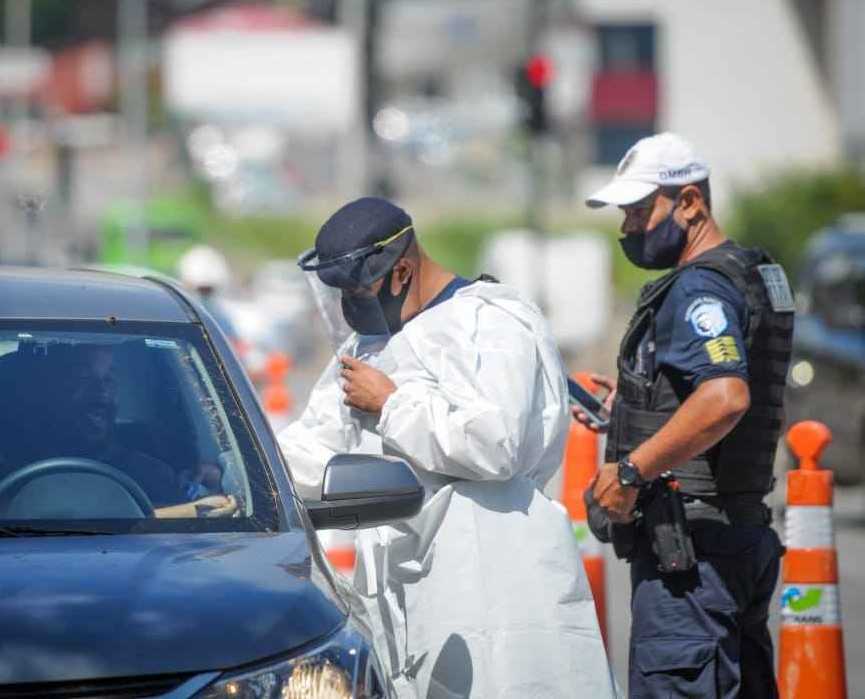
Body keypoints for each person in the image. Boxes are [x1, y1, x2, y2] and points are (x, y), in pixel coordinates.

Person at [279, 197, 615, 697]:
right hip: (402, 583)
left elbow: (496, 445)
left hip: (491, 568)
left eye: (357, 289)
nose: (350, 304)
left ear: (401, 272)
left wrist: (392, 406)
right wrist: (244, 472)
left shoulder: (490, 322)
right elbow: (317, 443)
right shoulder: (367, 345)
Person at [579, 132, 793, 697]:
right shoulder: (742, 272)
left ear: (692, 202)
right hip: (734, 539)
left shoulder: (701, 287)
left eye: (640, 211)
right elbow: (709, 391)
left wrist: (631, 470)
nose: (628, 227)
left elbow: (725, 397)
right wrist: (632, 410)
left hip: (692, 554)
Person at [24, 345, 238, 518]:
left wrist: (209, 483)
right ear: (51, 390)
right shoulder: (12, 464)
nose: (101, 391)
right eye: (83, 377)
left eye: (109, 379)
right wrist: (188, 512)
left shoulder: (151, 473)